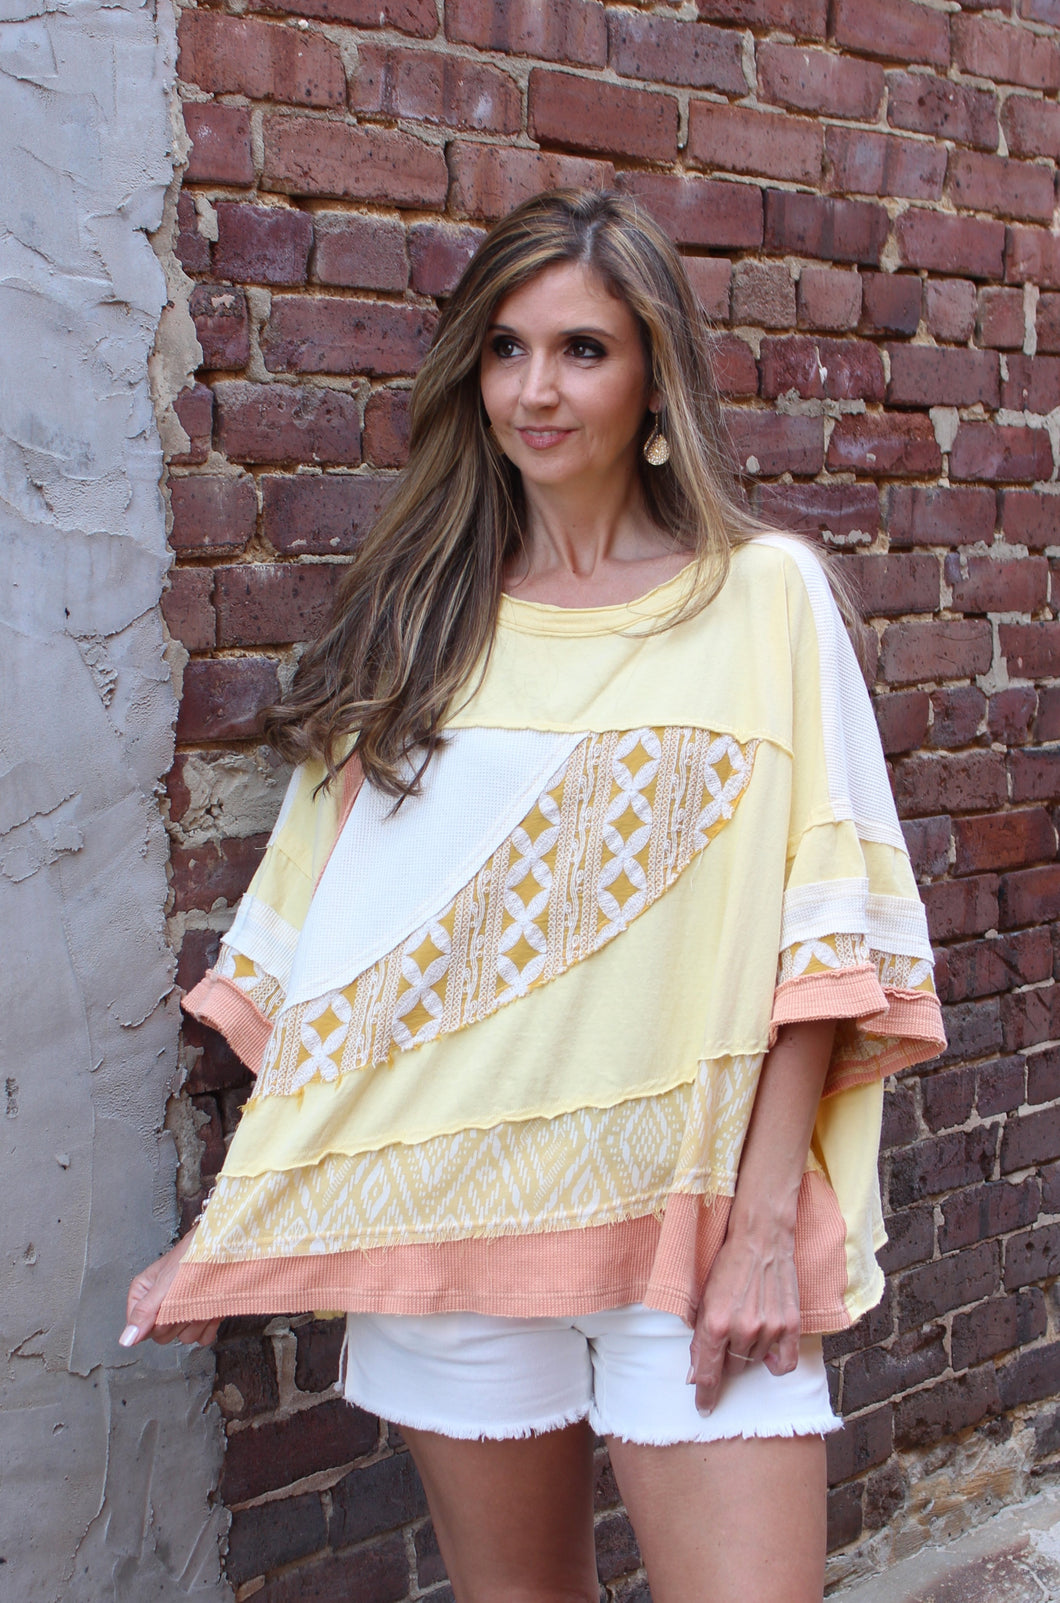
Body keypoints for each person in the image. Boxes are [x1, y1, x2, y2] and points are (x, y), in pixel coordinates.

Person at [124, 188, 944, 1603]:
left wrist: (763, 1225)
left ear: (655, 378)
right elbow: (335, 944)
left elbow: (821, 933)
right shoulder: (418, 623)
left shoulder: (765, 598)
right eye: (506, 349)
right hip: (448, 1207)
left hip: (692, 1219)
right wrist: (244, 1217)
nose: (536, 390)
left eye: (582, 350)